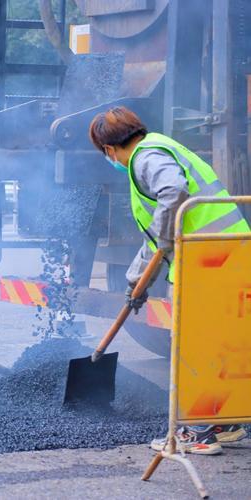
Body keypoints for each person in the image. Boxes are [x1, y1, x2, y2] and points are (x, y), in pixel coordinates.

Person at [89, 106, 249, 454]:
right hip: (227, 253)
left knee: (196, 346)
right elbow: (155, 238)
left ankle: (197, 432)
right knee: (222, 343)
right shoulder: (159, 147)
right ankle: (225, 422)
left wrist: (163, 241)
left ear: (109, 149)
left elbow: (173, 195)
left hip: (208, 260)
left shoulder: (145, 159)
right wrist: (136, 283)